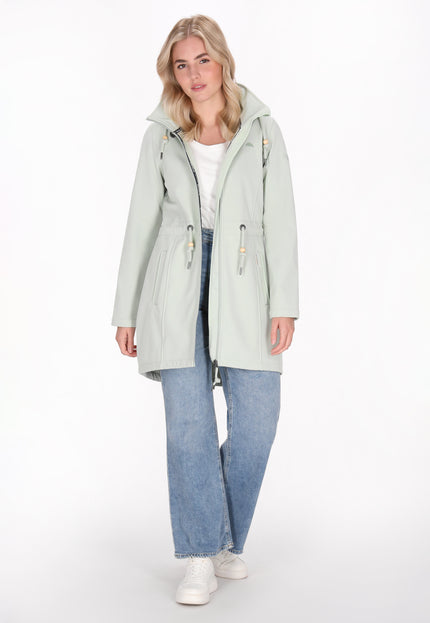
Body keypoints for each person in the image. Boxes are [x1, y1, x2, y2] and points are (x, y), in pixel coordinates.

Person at [111, 14, 299, 606]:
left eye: (203, 60)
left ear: (222, 61)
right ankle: (200, 555)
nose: (193, 74)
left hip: (246, 282)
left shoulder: (262, 131)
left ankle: (221, 539)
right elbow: (141, 223)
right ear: (171, 72)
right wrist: (126, 311)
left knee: (258, 423)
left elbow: (281, 221)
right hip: (175, 282)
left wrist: (285, 302)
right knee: (189, 427)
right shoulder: (161, 134)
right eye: (181, 64)